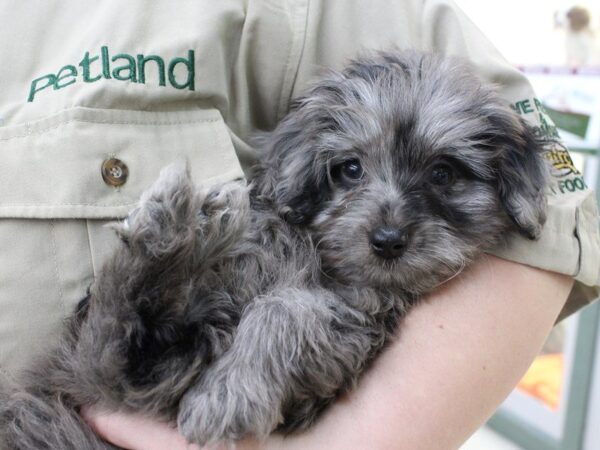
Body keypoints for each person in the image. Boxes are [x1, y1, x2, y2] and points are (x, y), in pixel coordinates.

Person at [0, 0, 597, 448]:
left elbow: (562, 194)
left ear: (509, 178)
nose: (389, 225)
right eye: (351, 170)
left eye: (442, 177)